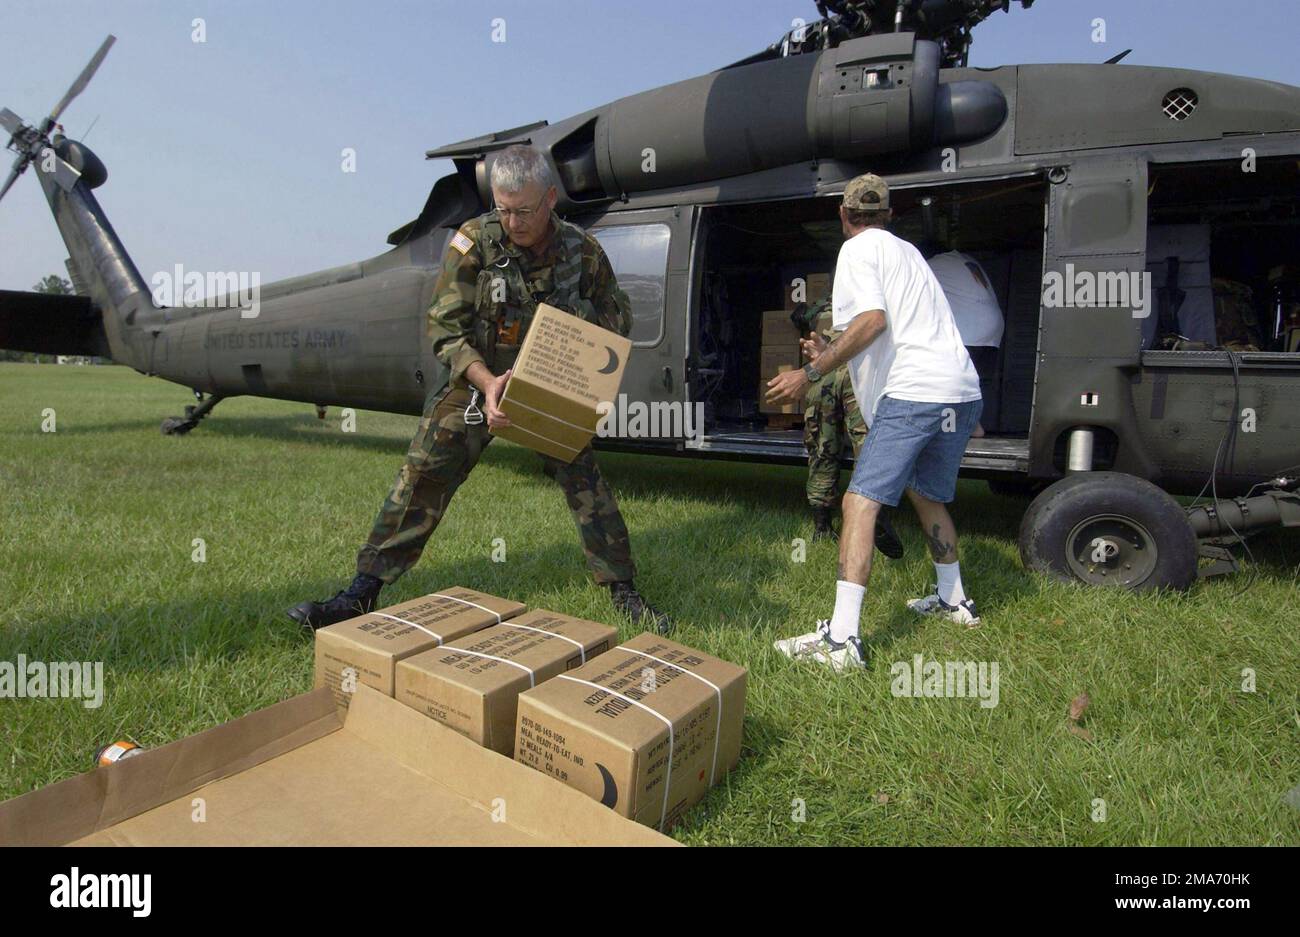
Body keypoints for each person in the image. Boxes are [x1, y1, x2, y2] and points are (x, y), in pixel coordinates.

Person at [287, 145, 671, 634]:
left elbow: (620, 317)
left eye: (525, 211)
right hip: (477, 381)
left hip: (547, 387)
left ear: (551, 198)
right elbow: (445, 328)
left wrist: (573, 330)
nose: (513, 222)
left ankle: (623, 589)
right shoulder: (475, 242)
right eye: (503, 210)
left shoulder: (583, 251)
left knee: (586, 482)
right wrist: (488, 385)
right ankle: (362, 591)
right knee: (424, 473)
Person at [765, 173, 983, 672]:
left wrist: (810, 371)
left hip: (915, 392)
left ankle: (840, 641)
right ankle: (955, 602)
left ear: (845, 216)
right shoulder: (909, 254)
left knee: (858, 503)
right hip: (960, 389)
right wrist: (832, 355)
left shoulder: (858, 251)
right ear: (888, 214)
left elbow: (872, 323)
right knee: (926, 494)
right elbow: (891, 332)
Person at [791, 296, 904, 558]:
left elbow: (796, 318)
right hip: (858, 372)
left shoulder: (817, 307)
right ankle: (873, 518)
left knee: (822, 447)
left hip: (824, 371)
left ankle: (822, 526)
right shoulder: (875, 301)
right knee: (866, 446)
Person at [926, 249, 1003, 437]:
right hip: (992, 329)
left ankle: (951, 429)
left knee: (945, 380)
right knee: (973, 383)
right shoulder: (965, 259)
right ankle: (974, 424)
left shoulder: (930, 264)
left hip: (967, 329)